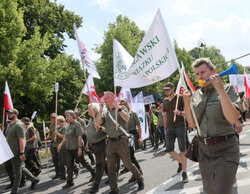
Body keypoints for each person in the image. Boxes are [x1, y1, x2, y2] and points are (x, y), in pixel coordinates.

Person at [183, 58, 241, 194]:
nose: (200, 77)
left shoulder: (228, 88)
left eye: (203, 72)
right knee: (210, 191)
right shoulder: (196, 96)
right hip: (204, 152)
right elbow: (191, 124)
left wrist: (220, 90)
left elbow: (233, 118)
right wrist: (186, 102)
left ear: (213, 72)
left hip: (226, 150)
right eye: (197, 74)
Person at [96, 92, 144, 194]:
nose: (103, 100)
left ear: (112, 99)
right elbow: (98, 122)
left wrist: (118, 108)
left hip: (121, 140)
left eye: (105, 98)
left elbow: (127, 118)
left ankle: (139, 178)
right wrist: (100, 109)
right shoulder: (105, 112)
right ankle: (114, 189)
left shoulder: (121, 109)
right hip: (110, 142)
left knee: (128, 163)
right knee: (111, 167)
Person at [58, 110, 95, 189]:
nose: (66, 117)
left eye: (68, 115)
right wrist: (61, 144)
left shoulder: (77, 124)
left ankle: (93, 172)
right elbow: (66, 136)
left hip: (76, 147)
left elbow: (79, 136)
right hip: (69, 148)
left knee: (83, 162)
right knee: (69, 165)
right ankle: (70, 181)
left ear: (72, 116)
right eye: (66, 116)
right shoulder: (68, 125)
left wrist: (79, 148)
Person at [5, 109, 39, 194]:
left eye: (10, 113)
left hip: (17, 151)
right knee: (21, 168)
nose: (8, 114)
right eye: (8, 113)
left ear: (16, 114)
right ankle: (34, 179)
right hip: (10, 151)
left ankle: (14, 190)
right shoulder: (10, 125)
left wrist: (22, 152)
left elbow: (22, 140)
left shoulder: (19, 125)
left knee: (17, 171)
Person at [163, 82, 189, 183]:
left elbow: (187, 112)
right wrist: (165, 128)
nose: (166, 91)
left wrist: (180, 113)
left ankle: (184, 173)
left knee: (183, 150)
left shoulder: (180, 98)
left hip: (180, 126)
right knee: (169, 149)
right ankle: (180, 162)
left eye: (168, 89)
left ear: (173, 89)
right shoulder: (164, 101)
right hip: (169, 128)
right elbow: (164, 115)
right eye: (165, 89)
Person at [118, 99, 143, 183]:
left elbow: (139, 126)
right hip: (123, 137)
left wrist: (140, 138)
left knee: (131, 155)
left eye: (122, 105)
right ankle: (137, 172)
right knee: (127, 157)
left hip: (132, 135)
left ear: (126, 106)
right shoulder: (118, 115)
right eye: (120, 105)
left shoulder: (133, 114)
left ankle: (138, 173)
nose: (121, 106)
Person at [85, 103, 107, 193]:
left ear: (94, 110)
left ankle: (96, 185)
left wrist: (100, 110)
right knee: (103, 162)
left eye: (89, 109)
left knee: (99, 164)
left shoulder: (99, 116)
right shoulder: (90, 118)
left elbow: (101, 126)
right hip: (93, 145)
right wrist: (87, 144)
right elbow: (90, 132)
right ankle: (112, 176)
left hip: (100, 144)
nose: (87, 111)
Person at [44, 113, 60, 180]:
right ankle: (58, 173)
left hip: (60, 143)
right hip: (53, 144)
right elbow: (49, 133)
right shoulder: (51, 125)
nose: (53, 119)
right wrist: (47, 138)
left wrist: (58, 135)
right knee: (55, 159)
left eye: (54, 117)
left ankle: (75, 168)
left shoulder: (59, 124)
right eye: (52, 118)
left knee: (63, 159)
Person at [55, 115, 68, 180]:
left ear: (60, 121)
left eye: (57, 120)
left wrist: (57, 134)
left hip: (64, 146)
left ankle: (64, 175)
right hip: (59, 146)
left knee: (63, 161)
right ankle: (63, 175)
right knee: (61, 161)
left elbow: (64, 136)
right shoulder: (58, 127)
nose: (56, 121)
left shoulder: (64, 127)